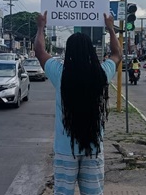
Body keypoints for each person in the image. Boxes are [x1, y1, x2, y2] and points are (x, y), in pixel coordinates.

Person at [34, 11, 120, 195]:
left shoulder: (61, 74)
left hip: (65, 150)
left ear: (68, 51)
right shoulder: (102, 74)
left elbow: (40, 52)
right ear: (91, 50)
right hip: (93, 148)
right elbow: (116, 54)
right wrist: (111, 29)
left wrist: (41, 27)